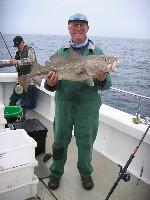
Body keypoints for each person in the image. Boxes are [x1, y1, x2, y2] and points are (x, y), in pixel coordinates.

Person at [44, 13, 112, 190]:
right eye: (75, 25)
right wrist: (51, 82)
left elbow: (107, 85)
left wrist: (102, 77)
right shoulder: (61, 53)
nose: (79, 28)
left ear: (88, 28)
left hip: (88, 106)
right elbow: (49, 85)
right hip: (64, 104)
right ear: (69, 29)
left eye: (82, 25)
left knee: (86, 141)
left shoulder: (98, 54)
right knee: (59, 140)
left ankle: (85, 173)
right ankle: (56, 172)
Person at [9, 36, 37, 113]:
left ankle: (21, 118)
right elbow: (15, 61)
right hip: (21, 80)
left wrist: (17, 62)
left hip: (30, 81)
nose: (17, 47)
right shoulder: (18, 52)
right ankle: (12, 116)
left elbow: (31, 60)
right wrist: (11, 62)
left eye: (18, 45)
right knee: (13, 98)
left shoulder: (30, 49)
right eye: (16, 46)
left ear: (22, 42)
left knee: (24, 101)